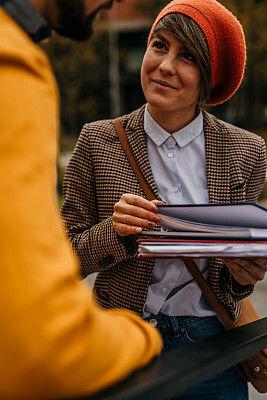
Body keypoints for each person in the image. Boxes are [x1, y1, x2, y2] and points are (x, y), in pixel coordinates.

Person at [61, 0, 267, 398]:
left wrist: (245, 274)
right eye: (159, 45)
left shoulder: (247, 151)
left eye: (187, 56)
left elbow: (235, 280)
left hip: (213, 351)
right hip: (120, 345)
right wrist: (114, 232)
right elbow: (62, 258)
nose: (166, 65)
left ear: (209, 78)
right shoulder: (96, 141)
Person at [0, 1, 164, 399]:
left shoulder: (243, 149)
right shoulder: (14, 65)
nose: (117, 2)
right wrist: (143, 337)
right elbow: (40, 344)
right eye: (158, 45)